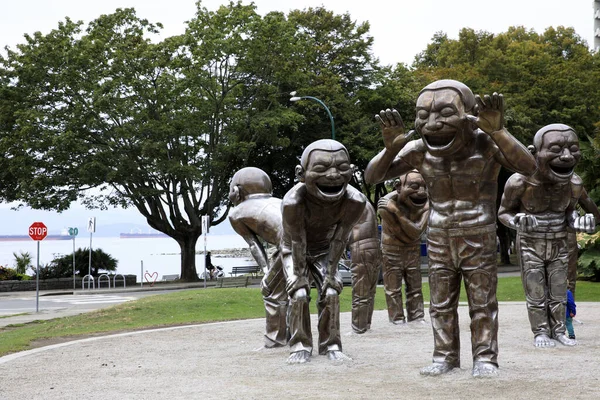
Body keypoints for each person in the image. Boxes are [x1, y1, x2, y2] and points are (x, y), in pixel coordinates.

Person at [365, 79, 537, 377]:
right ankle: (444, 356)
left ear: (470, 115)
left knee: (482, 303)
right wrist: (390, 149)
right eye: (423, 115)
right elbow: (372, 177)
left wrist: (498, 130)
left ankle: (485, 358)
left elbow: (528, 166)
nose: (433, 123)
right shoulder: (419, 151)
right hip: (439, 235)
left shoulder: (487, 145)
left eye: (445, 112)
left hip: (478, 234)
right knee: (440, 303)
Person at [497, 124, 595, 348]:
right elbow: (503, 212)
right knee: (536, 291)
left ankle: (559, 330)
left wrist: (578, 222)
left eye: (573, 148)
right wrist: (516, 221)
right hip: (531, 244)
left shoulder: (573, 184)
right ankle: (540, 331)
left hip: (559, 243)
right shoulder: (519, 182)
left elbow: (569, 213)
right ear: (534, 152)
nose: (567, 156)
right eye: (557, 149)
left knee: (560, 290)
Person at [282, 139, 366, 364]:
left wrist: (331, 273)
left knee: (331, 292)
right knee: (299, 293)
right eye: (321, 168)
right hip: (293, 249)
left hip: (325, 250)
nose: (332, 175)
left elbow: (341, 238)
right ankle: (300, 345)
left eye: (341, 168)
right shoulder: (293, 202)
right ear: (302, 173)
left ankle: (332, 345)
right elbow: (298, 242)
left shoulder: (355, 200)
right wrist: (298, 276)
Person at [228, 167, 289, 348]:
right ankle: (295, 335)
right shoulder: (280, 201)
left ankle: (275, 339)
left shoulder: (237, 213)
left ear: (237, 191)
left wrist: (265, 272)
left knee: (270, 291)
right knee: (294, 291)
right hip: (308, 241)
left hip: (288, 246)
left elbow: (254, 245)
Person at [377, 170, 429, 324]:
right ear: (399, 187)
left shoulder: (427, 202)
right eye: (414, 186)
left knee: (415, 287)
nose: (421, 192)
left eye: (424, 187)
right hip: (391, 251)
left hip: (413, 250)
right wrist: (412, 232)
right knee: (393, 289)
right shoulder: (384, 204)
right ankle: (397, 318)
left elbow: (416, 233)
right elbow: (406, 232)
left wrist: (398, 213)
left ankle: (417, 316)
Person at [347, 202, 381, 334]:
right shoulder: (364, 202)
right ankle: (365, 324)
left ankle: (358, 327)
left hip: (361, 247)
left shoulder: (349, 200)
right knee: (369, 291)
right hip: (374, 246)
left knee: (360, 291)